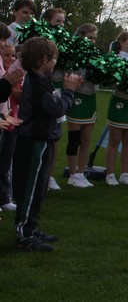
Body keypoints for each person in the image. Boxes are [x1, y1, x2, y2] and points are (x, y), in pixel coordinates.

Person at [12, 37, 82, 252]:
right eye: (54, 58)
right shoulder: (37, 82)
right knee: (31, 188)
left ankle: (31, 227)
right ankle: (25, 235)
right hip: (35, 140)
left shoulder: (41, 79)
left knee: (39, 187)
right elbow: (56, 108)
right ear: (44, 59)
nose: (55, 63)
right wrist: (69, 91)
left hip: (42, 139)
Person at [104, 31, 128, 186]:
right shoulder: (113, 59)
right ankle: (110, 174)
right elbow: (108, 82)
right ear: (122, 42)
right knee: (114, 140)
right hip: (118, 102)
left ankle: (125, 174)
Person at [65, 24, 98, 188]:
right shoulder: (72, 54)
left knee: (86, 139)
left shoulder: (96, 56)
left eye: (94, 38)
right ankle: (72, 174)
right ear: (80, 36)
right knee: (74, 140)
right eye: (89, 37)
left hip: (90, 98)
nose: (92, 41)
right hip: (76, 97)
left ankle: (81, 173)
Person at [42, 8, 67, 191]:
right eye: (57, 21)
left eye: (63, 22)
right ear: (47, 22)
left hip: (57, 88)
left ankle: (49, 176)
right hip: (41, 88)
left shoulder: (66, 43)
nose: (61, 25)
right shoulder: (40, 42)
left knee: (55, 135)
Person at [0, 42, 22, 210]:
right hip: (4, 118)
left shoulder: (13, 73)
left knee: (6, 161)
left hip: (10, 118)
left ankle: (5, 197)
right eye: (6, 54)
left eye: (13, 55)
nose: (11, 58)